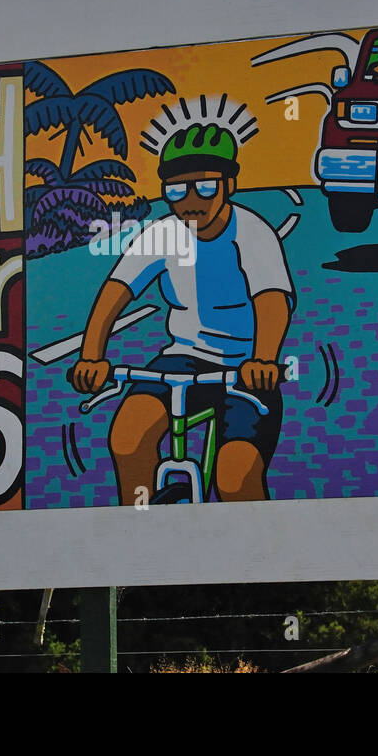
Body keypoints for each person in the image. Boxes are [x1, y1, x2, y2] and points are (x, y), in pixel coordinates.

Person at [70, 123, 294, 503]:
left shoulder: (253, 233)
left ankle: (252, 553)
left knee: (235, 476)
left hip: (246, 370)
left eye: (205, 186)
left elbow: (272, 299)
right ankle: (138, 528)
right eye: (176, 190)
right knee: (128, 438)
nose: (191, 200)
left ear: (229, 184)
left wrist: (264, 360)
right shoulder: (164, 233)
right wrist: (92, 356)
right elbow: (115, 291)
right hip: (182, 360)